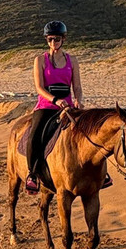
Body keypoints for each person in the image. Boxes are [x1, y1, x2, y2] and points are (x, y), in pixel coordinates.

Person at [25, 21, 84, 194]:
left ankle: (100, 174)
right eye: (50, 39)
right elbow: (39, 88)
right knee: (35, 136)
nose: (53, 43)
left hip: (68, 106)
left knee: (89, 130)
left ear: (63, 39)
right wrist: (56, 100)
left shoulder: (72, 60)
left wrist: (79, 100)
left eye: (57, 39)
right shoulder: (40, 60)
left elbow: (77, 87)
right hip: (46, 105)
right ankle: (32, 174)